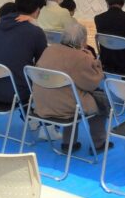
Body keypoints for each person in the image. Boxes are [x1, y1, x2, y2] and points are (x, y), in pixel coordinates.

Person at [33, 22, 112, 153]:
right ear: (83, 40)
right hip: (64, 106)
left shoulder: (49, 50)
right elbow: (92, 84)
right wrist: (94, 62)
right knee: (100, 101)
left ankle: (68, 143)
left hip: (41, 103)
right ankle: (99, 143)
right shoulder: (81, 57)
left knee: (72, 93)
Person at [0, 0, 47, 104]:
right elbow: (43, 63)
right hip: (15, 92)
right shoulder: (35, 32)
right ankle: (35, 117)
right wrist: (36, 25)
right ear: (38, 9)